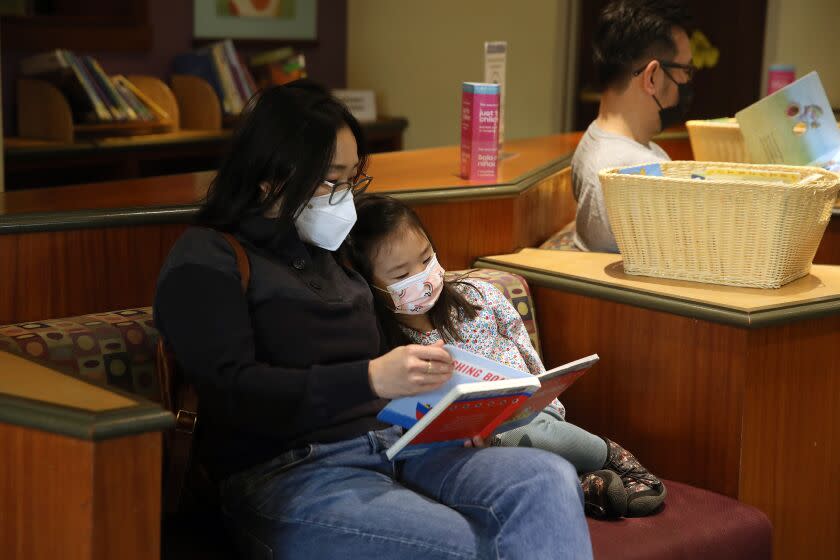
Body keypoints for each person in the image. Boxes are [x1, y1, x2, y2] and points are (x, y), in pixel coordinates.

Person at [153, 80, 592, 559]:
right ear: (269, 175)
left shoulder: (331, 251)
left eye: (351, 179)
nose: (344, 197)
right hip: (289, 474)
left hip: (400, 444)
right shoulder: (209, 257)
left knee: (546, 479)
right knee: (469, 548)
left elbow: (389, 351)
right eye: (330, 180)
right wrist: (369, 378)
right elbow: (234, 393)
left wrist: (447, 411)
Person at [344, 193, 667, 519]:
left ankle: (609, 457)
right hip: (457, 451)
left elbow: (528, 358)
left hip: (526, 419)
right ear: (369, 284)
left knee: (519, 428)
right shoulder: (383, 346)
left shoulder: (481, 297)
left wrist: (548, 404)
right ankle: (584, 486)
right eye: (401, 276)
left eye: (426, 259)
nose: (423, 278)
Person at [572, 0, 694, 252]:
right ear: (651, 77)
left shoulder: (595, 137)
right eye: (685, 70)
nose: (686, 80)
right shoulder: (637, 170)